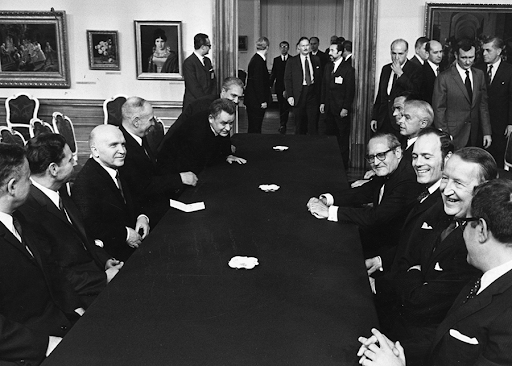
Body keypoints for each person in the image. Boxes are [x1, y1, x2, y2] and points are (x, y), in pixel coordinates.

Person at [358, 178, 512, 366]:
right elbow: (447, 342)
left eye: (464, 223)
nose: (461, 232)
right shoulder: (482, 279)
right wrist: (399, 351)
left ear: (482, 230)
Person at [0, 143, 84, 364]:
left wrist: (76, 307)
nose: (31, 182)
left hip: (59, 322)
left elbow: (51, 269)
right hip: (29, 347)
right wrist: (45, 344)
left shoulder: (20, 217)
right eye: (28, 178)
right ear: (11, 187)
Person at [19, 133, 122, 307]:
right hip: (78, 296)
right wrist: (103, 278)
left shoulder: (60, 189)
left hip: (94, 274)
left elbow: (82, 237)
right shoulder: (28, 211)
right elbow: (54, 272)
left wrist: (103, 259)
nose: (75, 162)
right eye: (69, 160)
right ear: (53, 169)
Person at [307, 132, 422, 257]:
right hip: (380, 237)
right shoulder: (391, 169)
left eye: (381, 155)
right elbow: (364, 191)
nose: (376, 162)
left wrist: (330, 212)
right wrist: (327, 199)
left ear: (398, 152)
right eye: (371, 157)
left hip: (390, 251)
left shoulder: (407, 179)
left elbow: (376, 217)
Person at [72, 125, 151, 262]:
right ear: (95, 151)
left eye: (123, 145)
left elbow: (135, 198)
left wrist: (142, 217)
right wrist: (125, 234)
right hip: (112, 255)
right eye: (114, 145)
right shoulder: (85, 182)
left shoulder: (117, 167)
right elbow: (91, 226)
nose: (122, 151)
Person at [120, 97, 197, 223]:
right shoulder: (123, 148)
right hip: (142, 212)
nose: (154, 123)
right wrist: (179, 178)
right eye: (150, 120)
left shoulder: (138, 136)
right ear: (136, 122)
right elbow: (143, 185)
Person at [157, 98, 246, 175]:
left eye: (231, 123)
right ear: (211, 118)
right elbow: (197, 166)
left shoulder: (217, 122)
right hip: (174, 171)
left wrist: (227, 155)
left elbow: (221, 141)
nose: (228, 128)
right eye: (224, 123)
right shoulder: (196, 134)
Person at [433, 38, 492, 150]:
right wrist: (444, 135)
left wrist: (487, 132)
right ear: (456, 55)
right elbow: (439, 108)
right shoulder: (444, 78)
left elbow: (483, 105)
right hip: (453, 134)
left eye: (471, 57)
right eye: (464, 57)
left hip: (474, 133)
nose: (468, 61)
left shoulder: (479, 75)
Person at [159, 77, 244, 149]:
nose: (236, 101)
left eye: (239, 98)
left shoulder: (224, 105)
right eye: (233, 95)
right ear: (223, 91)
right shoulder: (204, 106)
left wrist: (226, 151)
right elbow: (196, 138)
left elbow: (222, 130)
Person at [370, 39, 422, 138]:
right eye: (393, 53)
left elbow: (416, 92)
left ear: (406, 52)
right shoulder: (386, 69)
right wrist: (375, 117)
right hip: (383, 119)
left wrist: (400, 74)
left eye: (400, 53)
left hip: (401, 120)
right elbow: (381, 95)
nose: (396, 57)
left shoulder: (416, 69)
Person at [476, 36, 512, 168]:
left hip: (500, 124)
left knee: (496, 160)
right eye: (483, 50)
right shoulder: (477, 69)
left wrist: (510, 123)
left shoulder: (509, 70)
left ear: (499, 51)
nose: (484, 53)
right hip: (479, 123)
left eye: (488, 50)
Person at [320, 37, 355, 168]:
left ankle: (343, 165)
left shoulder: (348, 69)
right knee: (329, 136)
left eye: (333, 50)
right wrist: (322, 103)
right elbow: (324, 86)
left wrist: (345, 108)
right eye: (330, 50)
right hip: (329, 109)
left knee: (342, 138)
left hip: (340, 110)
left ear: (340, 53)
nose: (330, 53)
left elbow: (350, 91)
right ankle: (330, 163)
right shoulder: (328, 67)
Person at [284, 37, 322, 135]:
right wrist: (290, 95)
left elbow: (319, 79)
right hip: (299, 95)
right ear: (298, 47)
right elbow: (287, 79)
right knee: (299, 125)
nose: (305, 48)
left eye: (307, 45)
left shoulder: (316, 59)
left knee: (313, 124)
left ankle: (312, 147)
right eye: (303, 46)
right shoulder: (292, 61)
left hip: (312, 94)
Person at [182, 33, 216, 111]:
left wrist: (211, 99)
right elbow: (193, 86)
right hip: (194, 104)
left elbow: (213, 81)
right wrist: (205, 101)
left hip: (207, 103)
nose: (210, 48)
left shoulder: (207, 61)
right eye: (209, 46)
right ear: (203, 47)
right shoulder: (189, 63)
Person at [244, 37, 271, 133]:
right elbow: (258, 83)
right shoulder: (259, 61)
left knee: (254, 126)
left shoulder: (255, 59)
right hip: (256, 101)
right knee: (255, 127)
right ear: (267, 47)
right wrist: (262, 100)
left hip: (253, 100)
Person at [270, 41, 291, 134]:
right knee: (281, 106)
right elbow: (273, 73)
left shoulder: (292, 59)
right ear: (280, 48)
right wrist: (269, 85)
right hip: (279, 87)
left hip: (288, 87)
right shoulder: (276, 60)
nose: (284, 48)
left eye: (285, 47)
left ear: (288, 48)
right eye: (282, 47)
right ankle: (282, 124)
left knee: (286, 106)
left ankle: (284, 123)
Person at [420, 40, 444, 105]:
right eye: (435, 52)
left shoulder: (445, 69)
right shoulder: (421, 72)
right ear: (427, 53)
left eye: (441, 52)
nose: (439, 55)